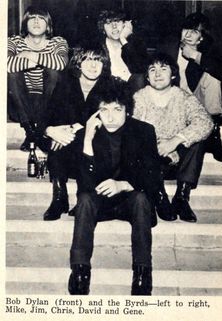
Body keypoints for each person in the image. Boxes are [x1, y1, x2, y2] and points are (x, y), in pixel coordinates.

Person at [67, 80, 161, 296]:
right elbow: (85, 185)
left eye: (117, 110)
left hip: (129, 201)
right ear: (96, 113)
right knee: (84, 200)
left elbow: (153, 176)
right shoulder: (86, 135)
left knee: (140, 199)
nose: (110, 116)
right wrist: (88, 141)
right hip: (99, 202)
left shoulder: (144, 131)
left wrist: (123, 184)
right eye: (104, 110)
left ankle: (142, 274)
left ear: (127, 111)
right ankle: (80, 273)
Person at [41, 43, 122, 221]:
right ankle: (59, 196)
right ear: (78, 63)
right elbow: (46, 115)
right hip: (67, 150)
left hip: (97, 148)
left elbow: (112, 120)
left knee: (76, 137)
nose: (93, 66)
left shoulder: (111, 86)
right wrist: (51, 130)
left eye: (98, 61)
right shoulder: (65, 84)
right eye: (88, 60)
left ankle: (83, 196)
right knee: (58, 139)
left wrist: (76, 128)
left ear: (104, 65)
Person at [133, 53, 213, 223]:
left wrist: (175, 141)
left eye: (163, 69)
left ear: (173, 74)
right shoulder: (138, 98)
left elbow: (206, 122)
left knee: (198, 140)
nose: (158, 74)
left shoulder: (183, 97)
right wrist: (160, 148)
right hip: (151, 165)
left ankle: (182, 197)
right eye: (152, 70)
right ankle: (160, 197)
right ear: (147, 77)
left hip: (179, 162)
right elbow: (132, 132)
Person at [155, 12, 222, 162]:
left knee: (212, 77)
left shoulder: (209, 49)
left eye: (194, 31)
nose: (188, 34)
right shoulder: (168, 46)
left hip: (200, 100)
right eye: (186, 30)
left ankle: (214, 132)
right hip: (175, 99)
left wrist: (196, 56)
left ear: (201, 37)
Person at [7, 5, 69, 151]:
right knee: (12, 74)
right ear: (25, 23)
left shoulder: (58, 42)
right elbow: (6, 64)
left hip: (48, 103)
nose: (36, 22)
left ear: (48, 25)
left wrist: (28, 55)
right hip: (20, 103)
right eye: (31, 18)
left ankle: (37, 132)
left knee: (53, 71)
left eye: (41, 18)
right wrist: (43, 59)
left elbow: (61, 63)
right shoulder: (14, 41)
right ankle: (31, 132)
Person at [97, 9, 148, 93]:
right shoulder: (98, 46)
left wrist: (123, 40)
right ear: (103, 28)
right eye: (108, 22)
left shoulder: (136, 44)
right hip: (107, 90)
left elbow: (140, 71)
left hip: (130, 90)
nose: (114, 26)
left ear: (125, 24)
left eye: (117, 21)